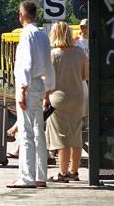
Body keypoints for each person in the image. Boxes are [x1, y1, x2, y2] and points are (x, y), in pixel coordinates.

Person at [7, 1, 55, 189]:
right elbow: (49, 66)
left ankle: (27, 177)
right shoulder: (43, 36)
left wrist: (22, 89)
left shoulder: (27, 35)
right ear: (35, 15)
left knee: (26, 134)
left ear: (21, 16)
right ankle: (41, 176)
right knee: (39, 132)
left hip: (28, 86)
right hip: (41, 85)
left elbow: (27, 63)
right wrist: (48, 91)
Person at [46, 21, 88, 183]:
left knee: (62, 137)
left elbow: (48, 81)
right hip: (78, 97)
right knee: (76, 135)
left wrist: (45, 99)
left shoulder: (53, 55)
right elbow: (85, 76)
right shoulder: (80, 53)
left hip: (59, 99)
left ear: (54, 34)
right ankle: (74, 172)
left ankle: (62, 173)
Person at [75, 19, 89, 128]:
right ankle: (83, 117)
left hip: (92, 73)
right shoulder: (76, 42)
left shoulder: (95, 40)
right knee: (84, 95)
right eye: (82, 27)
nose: (84, 29)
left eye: (86, 27)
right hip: (81, 74)